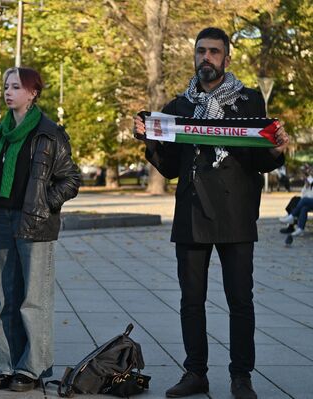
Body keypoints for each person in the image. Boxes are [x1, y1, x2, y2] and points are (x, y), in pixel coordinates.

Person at [133, 28, 289, 399]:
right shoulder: (177, 108)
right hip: (190, 213)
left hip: (236, 214)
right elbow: (170, 168)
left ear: (226, 59)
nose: (206, 57)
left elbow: (261, 159)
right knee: (191, 300)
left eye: (214, 52)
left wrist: (279, 150)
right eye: (201, 51)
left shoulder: (250, 102)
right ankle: (195, 373)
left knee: (240, 300)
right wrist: (149, 139)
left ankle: (241, 377)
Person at [0, 67, 81, 392]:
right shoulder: (0, 132)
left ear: (32, 92)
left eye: (16, 86)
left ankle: (31, 368)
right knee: (2, 298)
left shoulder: (49, 132)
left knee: (32, 299)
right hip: (1, 220)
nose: (9, 92)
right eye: (6, 86)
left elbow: (71, 179)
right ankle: (3, 364)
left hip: (34, 224)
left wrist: (43, 204)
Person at [279, 166, 313, 244]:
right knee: (304, 207)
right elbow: (303, 194)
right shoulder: (310, 182)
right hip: (309, 201)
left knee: (303, 201)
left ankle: (292, 216)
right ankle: (300, 229)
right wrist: (307, 185)